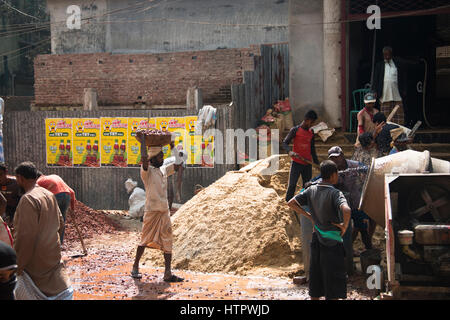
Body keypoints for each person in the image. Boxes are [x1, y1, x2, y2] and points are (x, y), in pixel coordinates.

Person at [288, 160, 351, 300]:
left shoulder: (311, 189)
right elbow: (346, 209)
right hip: (333, 242)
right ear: (334, 174)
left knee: (316, 276)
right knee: (333, 279)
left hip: (316, 238)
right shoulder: (335, 193)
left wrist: (310, 216)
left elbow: (291, 202)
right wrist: (344, 226)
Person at [13, 162, 73, 300]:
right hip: (53, 261)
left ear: (20, 178)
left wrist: (18, 267)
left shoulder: (28, 199)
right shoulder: (48, 194)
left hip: (36, 268)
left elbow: (25, 238)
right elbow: (61, 224)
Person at [131, 133, 183, 282]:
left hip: (164, 210)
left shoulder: (163, 170)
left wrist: (172, 145)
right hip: (151, 211)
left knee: (168, 240)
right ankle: (135, 266)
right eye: (160, 156)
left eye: (162, 156)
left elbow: (178, 163)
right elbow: (144, 160)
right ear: (152, 159)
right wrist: (142, 141)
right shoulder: (146, 172)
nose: (162, 158)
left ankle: (167, 273)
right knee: (145, 239)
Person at [283, 110, 319, 202]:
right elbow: (284, 143)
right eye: (312, 122)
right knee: (292, 185)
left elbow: (312, 149)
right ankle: (288, 202)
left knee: (307, 185)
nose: (312, 125)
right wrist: (290, 151)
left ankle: (304, 203)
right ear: (307, 120)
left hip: (307, 164)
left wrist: (317, 163)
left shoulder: (311, 132)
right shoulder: (295, 130)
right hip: (296, 163)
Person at [36, 172, 76, 244]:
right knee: (62, 221)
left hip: (55, 197)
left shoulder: (39, 181)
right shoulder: (56, 177)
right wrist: (72, 210)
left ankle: (50, 243)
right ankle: (59, 243)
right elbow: (72, 192)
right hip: (67, 196)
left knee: (50, 221)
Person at [372, 46, 407, 126]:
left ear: (391, 54)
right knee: (385, 118)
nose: (387, 57)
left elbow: (402, 77)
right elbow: (375, 79)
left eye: (388, 55)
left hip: (397, 95)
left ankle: (399, 134)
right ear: (383, 55)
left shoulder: (397, 64)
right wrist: (374, 91)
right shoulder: (379, 65)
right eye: (385, 55)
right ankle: (386, 134)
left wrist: (404, 90)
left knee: (399, 117)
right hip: (385, 95)